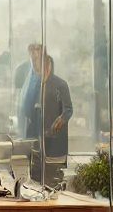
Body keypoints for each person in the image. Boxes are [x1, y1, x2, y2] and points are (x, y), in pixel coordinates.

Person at [20, 52, 73, 184]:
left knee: (52, 181)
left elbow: (68, 110)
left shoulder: (60, 84)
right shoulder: (36, 86)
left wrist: (56, 124)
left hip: (54, 146)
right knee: (35, 181)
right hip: (36, 145)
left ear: (48, 65)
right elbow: (28, 110)